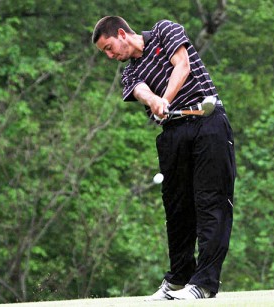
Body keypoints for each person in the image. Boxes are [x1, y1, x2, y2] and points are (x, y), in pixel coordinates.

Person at [92, 16, 236, 300]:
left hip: (207, 123)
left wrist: (165, 99)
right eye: (105, 53)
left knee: (210, 203)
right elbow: (140, 90)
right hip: (173, 133)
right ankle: (179, 279)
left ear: (122, 34)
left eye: (109, 47)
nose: (110, 56)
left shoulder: (163, 30)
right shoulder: (129, 72)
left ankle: (204, 283)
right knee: (177, 209)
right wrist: (153, 101)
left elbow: (182, 65)